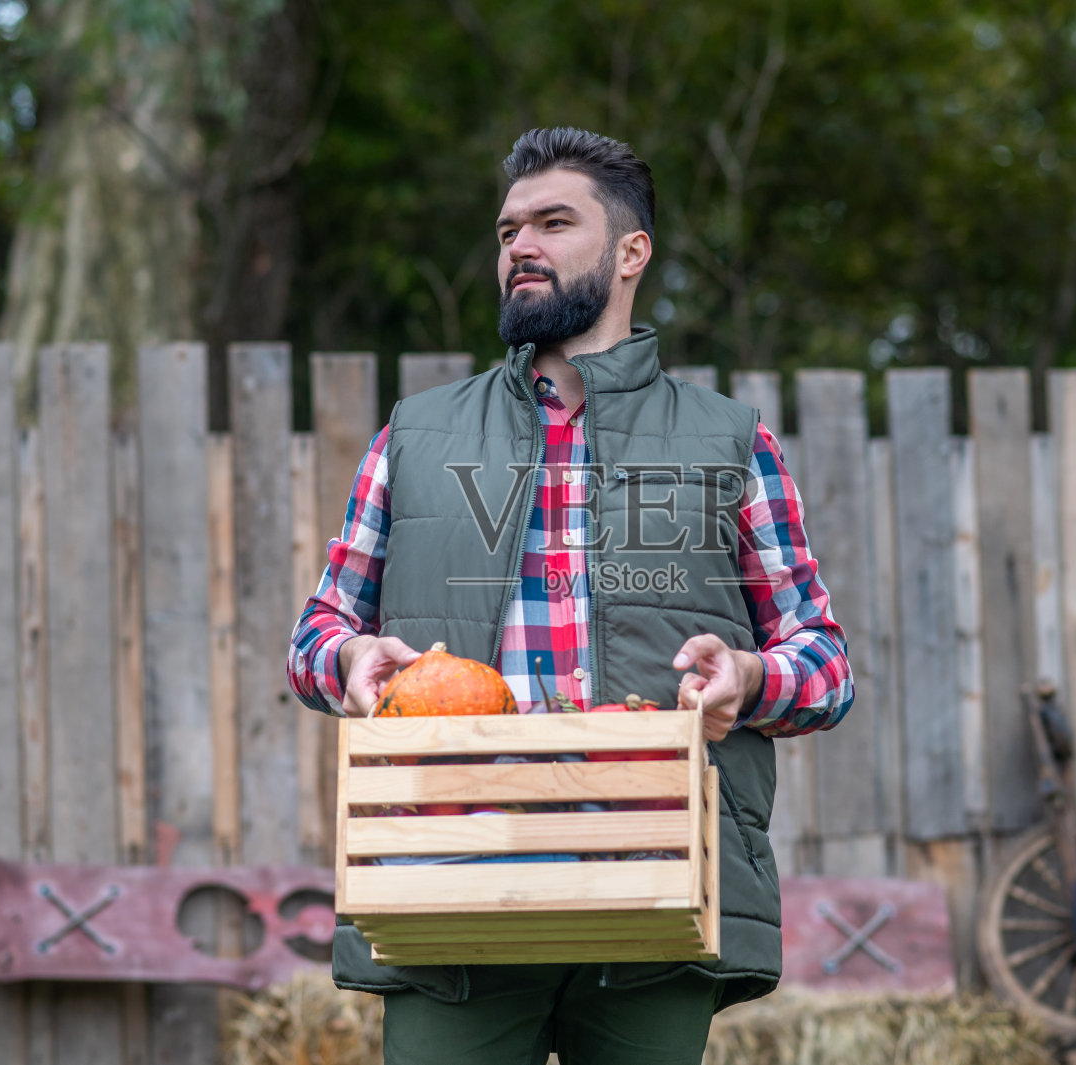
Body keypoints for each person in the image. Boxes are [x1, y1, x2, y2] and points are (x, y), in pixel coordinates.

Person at [287, 127, 853, 1065]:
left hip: (655, 885)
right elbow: (317, 634)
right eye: (510, 229)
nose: (522, 246)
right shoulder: (416, 436)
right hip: (452, 883)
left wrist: (747, 679)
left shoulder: (728, 441)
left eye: (554, 222)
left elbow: (824, 663)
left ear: (633, 252)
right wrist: (348, 660)